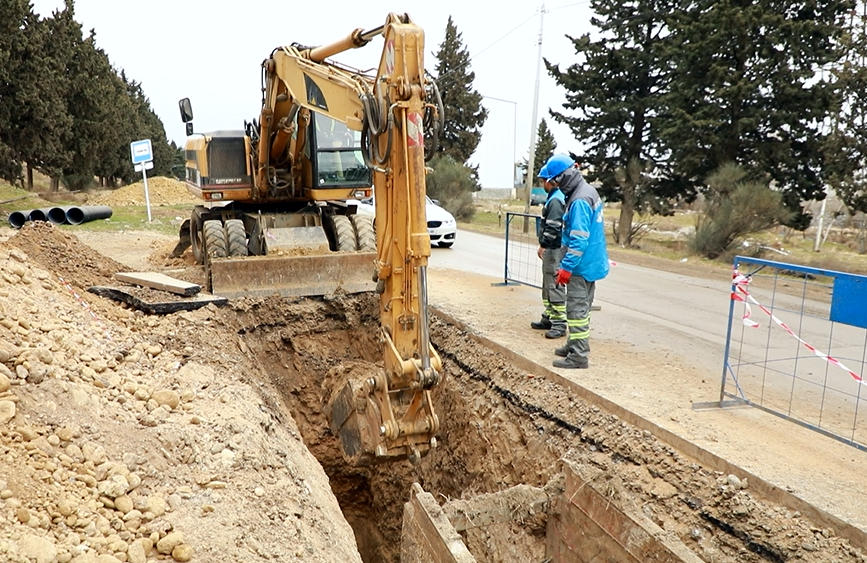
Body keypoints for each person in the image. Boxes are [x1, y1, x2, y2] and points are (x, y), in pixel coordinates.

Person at [541, 154, 610, 369]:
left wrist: (567, 267)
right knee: (583, 308)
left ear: (562, 177)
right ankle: (573, 344)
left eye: (555, 180)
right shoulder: (587, 191)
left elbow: (578, 239)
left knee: (576, 311)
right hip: (592, 261)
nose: (555, 185)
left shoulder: (579, 200)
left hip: (581, 265)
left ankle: (578, 355)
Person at [530, 162, 567, 339]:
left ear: (550, 180)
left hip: (554, 248)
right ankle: (549, 317)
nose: (542, 184)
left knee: (554, 284)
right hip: (551, 248)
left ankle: (559, 323)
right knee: (547, 285)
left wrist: (543, 245)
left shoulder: (556, 200)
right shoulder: (554, 197)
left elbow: (553, 226)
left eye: (543, 180)